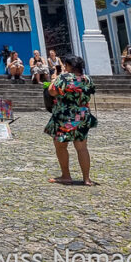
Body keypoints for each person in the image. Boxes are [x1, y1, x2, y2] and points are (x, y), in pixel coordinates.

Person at [44, 55, 98, 186]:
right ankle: (87, 178)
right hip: (82, 116)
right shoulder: (87, 79)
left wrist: (55, 78)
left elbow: (52, 92)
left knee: (61, 146)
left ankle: (66, 175)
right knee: (82, 148)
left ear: (69, 66)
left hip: (64, 116)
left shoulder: (64, 78)